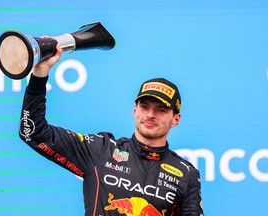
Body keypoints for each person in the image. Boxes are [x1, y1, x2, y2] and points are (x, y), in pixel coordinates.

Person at [19, 44, 204, 216]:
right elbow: (33, 133)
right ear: (134, 110)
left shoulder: (186, 174)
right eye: (145, 106)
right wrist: (39, 75)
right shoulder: (102, 149)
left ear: (176, 119)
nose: (150, 114)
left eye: (161, 110)